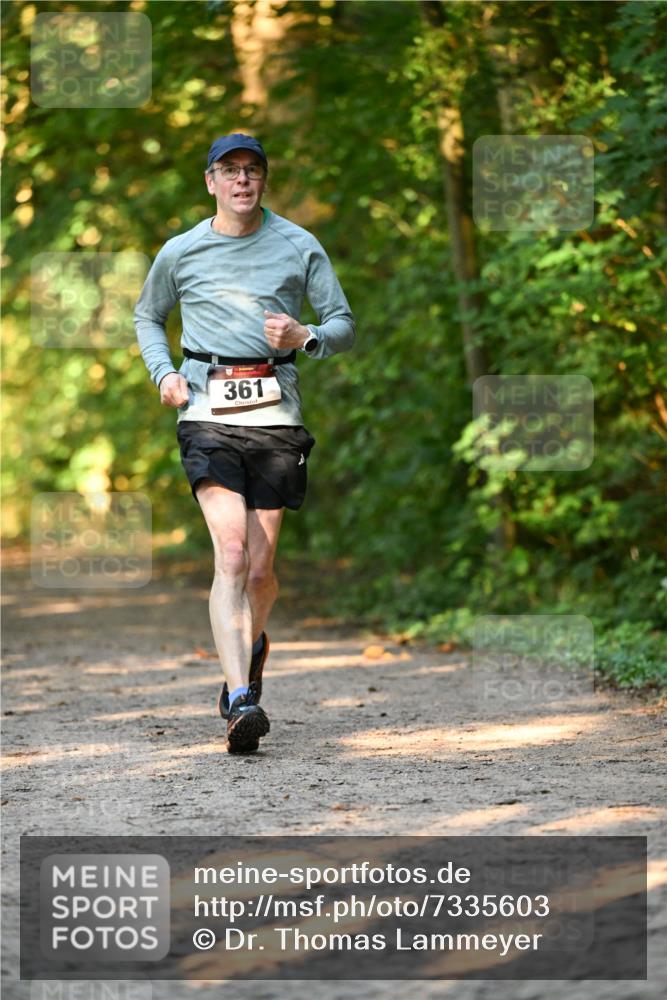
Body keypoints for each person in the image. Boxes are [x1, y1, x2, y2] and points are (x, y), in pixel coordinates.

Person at [134, 133, 355, 754]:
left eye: (252, 170)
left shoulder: (298, 244)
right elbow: (147, 315)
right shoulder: (181, 250)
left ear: (263, 180)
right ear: (210, 182)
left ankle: (249, 649)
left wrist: (304, 335)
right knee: (230, 554)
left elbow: (343, 325)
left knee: (260, 569)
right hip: (206, 413)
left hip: (276, 415)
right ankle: (239, 699)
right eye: (229, 170)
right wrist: (164, 373)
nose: (241, 180)